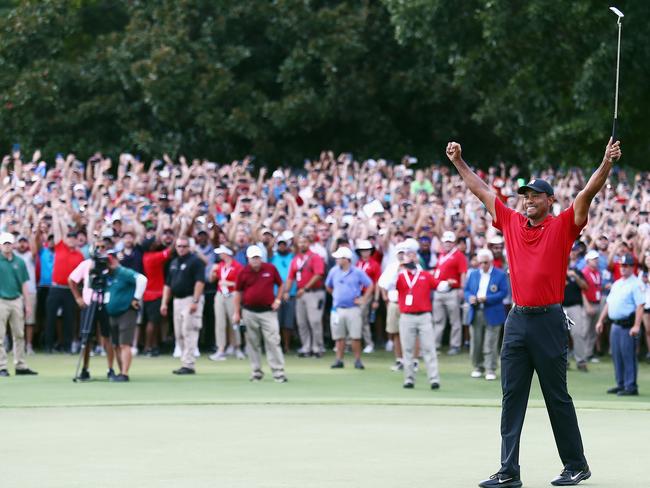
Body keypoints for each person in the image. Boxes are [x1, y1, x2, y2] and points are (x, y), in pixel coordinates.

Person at [446, 137, 621, 487]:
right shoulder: (510, 222)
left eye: (535, 196)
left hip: (548, 321)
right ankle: (509, 471)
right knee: (512, 397)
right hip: (517, 320)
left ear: (550, 201)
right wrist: (458, 162)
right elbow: (481, 191)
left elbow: (587, 193)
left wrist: (606, 163)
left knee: (557, 396)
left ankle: (576, 464)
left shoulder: (563, 226)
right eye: (525, 196)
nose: (527, 201)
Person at [232, 245, 287, 382]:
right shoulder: (243, 272)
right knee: (252, 343)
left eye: (257, 258)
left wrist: (278, 300)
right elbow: (238, 292)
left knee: (273, 341)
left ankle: (278, 372)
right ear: (248, 259)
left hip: (268, 311)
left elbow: (281, 284)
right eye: (253, 258)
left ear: (261, 258)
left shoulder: (270, 269)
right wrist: (236, 312)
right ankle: (256, 371)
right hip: (249, 312)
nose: (256, 261)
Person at [596, 253, 645, 396]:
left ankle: (631, 386)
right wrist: (600, 320)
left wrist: (636, 325)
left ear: (632, 267)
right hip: (615, 325)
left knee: (628, 355)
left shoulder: (636, 283)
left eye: (626, 265)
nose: (623, 268)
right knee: (617, 355)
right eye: (622, 265)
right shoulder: (617, 283)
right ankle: (621, 384)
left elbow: (640, 306)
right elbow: (609, 303)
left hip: (628, 325)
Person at [395, 241, 440, 389]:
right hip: (407, 316)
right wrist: (399, 265)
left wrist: (451, 283)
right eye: (408, 255)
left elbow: (439, 285)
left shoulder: (424, 275)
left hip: (424, 316)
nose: (410, 258)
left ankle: (434, 379)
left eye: (413, 255)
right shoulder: (400, 276)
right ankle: (409, 379)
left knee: (429, 348)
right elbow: (385, 283)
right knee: (407, 349)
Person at [68, 244, 117, 381]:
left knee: (107, 336)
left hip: (105, 303)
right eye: (99, 247)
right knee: (86, 337)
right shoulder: (86, 264)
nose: (101, 249)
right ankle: (85, 369)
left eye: (104, 247)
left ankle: (110, 369)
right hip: (89, 303)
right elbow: (71, 279)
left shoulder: (109, 264)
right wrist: (78, 298)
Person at [161, 237, 206, 375]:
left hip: (190, 298)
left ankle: (189, 364)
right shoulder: (174, 262)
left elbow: (200, 281)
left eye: (184, 246)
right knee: (179, 332)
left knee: (189, 330)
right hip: (177, 300)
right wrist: (164, 302)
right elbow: (168, 284)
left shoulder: (195, 261)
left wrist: (195, 301)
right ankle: (184, 361)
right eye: (179, 246)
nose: (181, 249)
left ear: (189, 247)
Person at [464, 248, 508, 381]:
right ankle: (478, 367)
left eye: (484, 262)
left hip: (492, 311)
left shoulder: (500, 274)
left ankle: (490, 368)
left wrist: (487, 298)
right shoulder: (473, 274)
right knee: (476, 342)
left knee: (490, 342)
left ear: (490, 261)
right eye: (480, 262)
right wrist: (470, 297)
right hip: (476, 310)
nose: (482, 265)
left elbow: (503, 293)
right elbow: (466, 290)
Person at [43, 209, 84, 353]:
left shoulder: (80, 255)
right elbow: (56, 228)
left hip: (70, 290)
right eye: (69, 237)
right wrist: (56, 213)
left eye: (74, 238)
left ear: (77, 240)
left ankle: (66, 346)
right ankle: (48, 346)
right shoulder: (60, 246)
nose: (71, 239)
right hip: (55, 288)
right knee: (50, 318)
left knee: (69, 319)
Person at [326, 246, 373, 369]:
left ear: (346, 259)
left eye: (339, 258)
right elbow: (328, 286)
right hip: (338, 309)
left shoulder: (357, 272)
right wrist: (336, 295)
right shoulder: (333, 271)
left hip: (353, 308)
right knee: (339, 337)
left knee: (355, 336)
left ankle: (357, 360)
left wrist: (363, 299)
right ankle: (339, 360)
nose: (336, 260)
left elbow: (370, 285)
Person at [104, 251, 147, 382]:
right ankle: (120, 371)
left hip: (126, 311)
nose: (108, 264)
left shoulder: (123, 272)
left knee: (124, 344)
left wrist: (136, 298)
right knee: (116, 344)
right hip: (112, 313)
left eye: (110, 261)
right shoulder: (107, 275)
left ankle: (124, 373)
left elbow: (142, 279)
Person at [0, 232, 38, 377]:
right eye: (5, 244)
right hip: (1, 300)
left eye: (9, 244)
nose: (8, 246)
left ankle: (20, 365)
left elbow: (24, 284)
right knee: (0, 335)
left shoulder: (20, 262)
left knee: (19, 334)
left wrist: (27, 304)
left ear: (13, 245)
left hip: (16, 299)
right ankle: (2, 366)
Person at [284, 235, 326, 357]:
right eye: (300, 242)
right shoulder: (296, 259)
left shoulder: (315, 257)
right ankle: (306, 347)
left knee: (315, 321)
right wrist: (286, 291)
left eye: (304, 242)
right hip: (300, 294)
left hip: (314, 292)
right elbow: (291, 277)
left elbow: (318, 274)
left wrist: (305, 288)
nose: (302, 244)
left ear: (309, 243)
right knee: (301, 322)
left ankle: (318, 347)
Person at [432, 230, 467, 355]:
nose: (447, 244)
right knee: (438, 320)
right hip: (439, 290)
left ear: (453, 243)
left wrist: (462, 289)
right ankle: (435, 345)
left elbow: (463, 273)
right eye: (446, 241)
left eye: (450, 242)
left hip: (452, 291)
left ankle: (455, 345)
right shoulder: (441, 254)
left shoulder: (459, 255)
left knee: (454, 320)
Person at [209, 245, 244, 361]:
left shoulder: (237, 266)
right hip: (220, 295)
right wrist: (212, 272)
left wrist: (229, 283)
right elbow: (211, 280)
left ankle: (237, 347)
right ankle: (221, 349)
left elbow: (242, 284)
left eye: (221, 253)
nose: (219, 255)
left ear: (227, 253)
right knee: (220, 322)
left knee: (234, 321)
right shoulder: (220, 266)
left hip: (233, 295)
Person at [377, 244, 407, 371]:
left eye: (403, 253)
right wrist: (385, 297)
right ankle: (399, 360)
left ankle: (412, 361)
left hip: (409, 305)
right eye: (399, 253)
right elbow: (382, 283)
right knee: (395, 333)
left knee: (410, 333)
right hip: (394, 303)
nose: (401, 255)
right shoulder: (391, 267)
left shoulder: (414, 267)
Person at [563, 244, 589, 372]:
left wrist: (575, 277)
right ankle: (564, 361)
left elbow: (585, 287)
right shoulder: (556, 271)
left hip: (575, 306)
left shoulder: (576, 271)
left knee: (577, 333)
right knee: (560, 335)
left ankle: (581, 361)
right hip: (560, 307)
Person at [270, 231, 296, 352]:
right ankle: (277, 346)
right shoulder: (273, 257)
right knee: (276, 322)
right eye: (280, 244)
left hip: (290, 293)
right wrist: (275, 237)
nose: (282, 246)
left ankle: (287, 346)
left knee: (288, 322)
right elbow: (269, 248)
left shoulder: (292, 257)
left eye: (284, 244)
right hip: (275, 294)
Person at [355, 239, 381, 353]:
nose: (365, 252)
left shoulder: (374, 264)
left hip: (368, 294)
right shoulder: (357, 264)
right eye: (362, 250)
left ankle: (369, 343)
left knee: (362, 318)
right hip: (356, 294)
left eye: (367, 250)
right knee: (355, 318)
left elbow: (377, 283)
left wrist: (376, 299)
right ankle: (354, 343)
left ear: (371, 251)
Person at [580, 250, 603, 365]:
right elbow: (582, 291)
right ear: (588, 261)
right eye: (594, 259)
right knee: (585, 330)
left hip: (597, 302)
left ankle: (589, 353)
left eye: (597, 259)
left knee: (593, 331)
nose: (596, 261)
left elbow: (597, 287)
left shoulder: (597, 272)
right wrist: (587, 305)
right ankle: (582, 354)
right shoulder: (584, 272)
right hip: (588, 303)